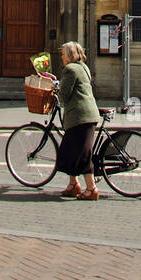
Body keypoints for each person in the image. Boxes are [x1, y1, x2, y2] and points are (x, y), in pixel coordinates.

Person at [53, 40, 101, 200]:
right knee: (70, 151)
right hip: (86, 114)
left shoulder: (70, 69)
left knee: (82, 154)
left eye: (62, 54)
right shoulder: (83, 67)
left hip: (80, 116)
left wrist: (55, 89)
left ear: (68, 55)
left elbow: (64, 95)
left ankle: (91, 189)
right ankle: (73, 185)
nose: (61, 57)